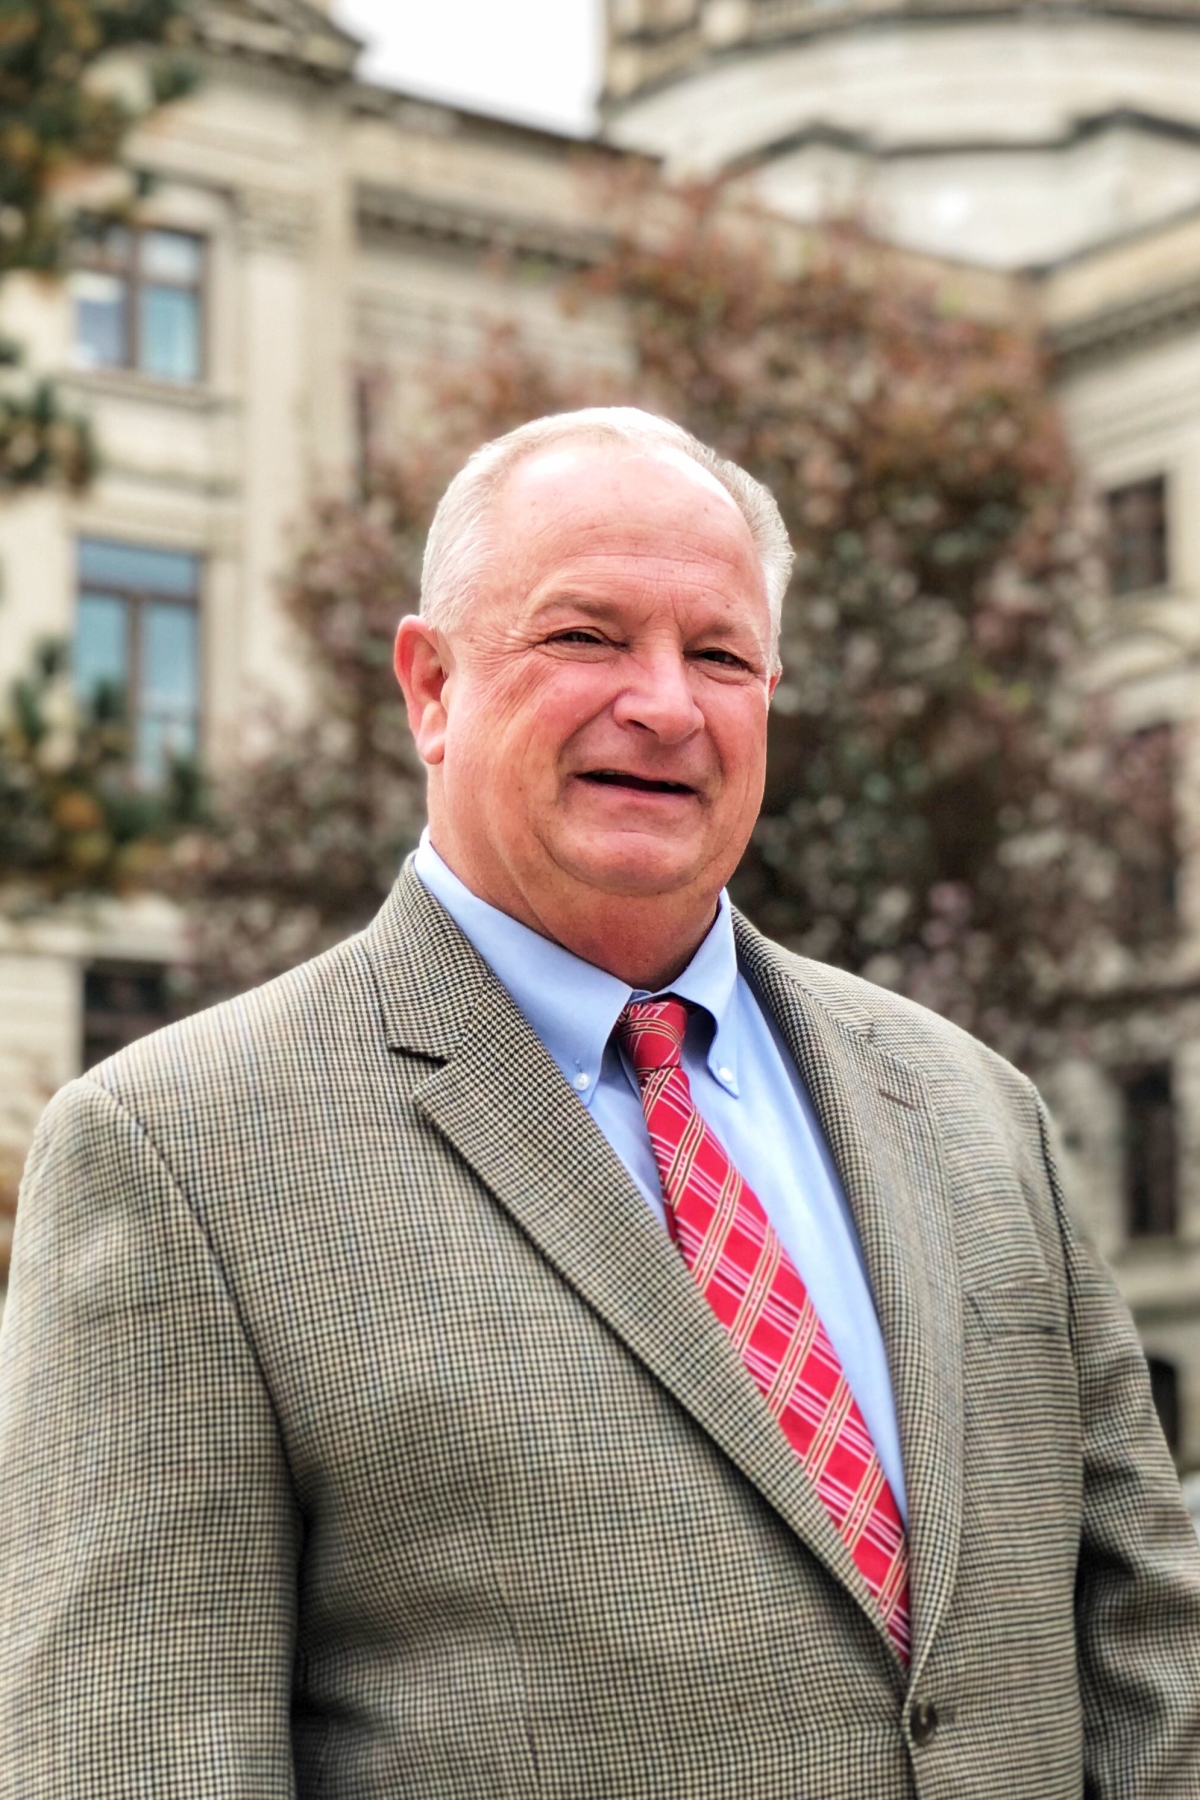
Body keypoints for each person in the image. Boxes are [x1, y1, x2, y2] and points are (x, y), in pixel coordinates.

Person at [1, 408, 1198, 1799]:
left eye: (722, 655)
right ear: (431, 685)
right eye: (587, 637)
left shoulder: (974, 1107)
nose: (668, 705)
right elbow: (137, 1760)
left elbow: (1147, 1666)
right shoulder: (177, 1155)